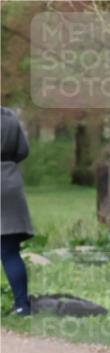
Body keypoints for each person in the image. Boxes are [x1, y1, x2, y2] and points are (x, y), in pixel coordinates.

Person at [1, 106, 34, 316]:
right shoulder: (9, 117)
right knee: (10, 252)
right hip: (9, 182)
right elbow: (23, 150)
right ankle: (22, 305)